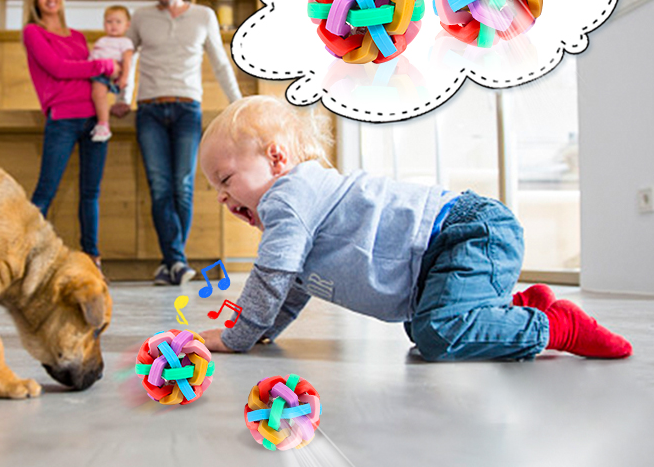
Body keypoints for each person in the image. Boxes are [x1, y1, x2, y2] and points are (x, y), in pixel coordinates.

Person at [197, 95, 632, 361]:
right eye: (216, 188)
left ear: (276, 159)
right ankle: (516, 306)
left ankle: (556, 326)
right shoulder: (301, 206)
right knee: (422, 325)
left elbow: (272, 274)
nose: (221, 196)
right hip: (454, 245)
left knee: (438, 333)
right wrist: (264, 331)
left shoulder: (288, 194)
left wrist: (239, 336)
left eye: (226, 179)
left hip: (464, 233)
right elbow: (289, 288)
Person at [112, 0, 243, 286]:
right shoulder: (141, 17)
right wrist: (123, 98)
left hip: (187, 109)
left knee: (182, 186)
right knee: (160, 187)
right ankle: (176, 262)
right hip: (150, 110)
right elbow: (128, 58)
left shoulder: (203, 16)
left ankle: (171, 262)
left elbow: (220, 63)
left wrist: (238, 104)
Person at [22, 0, 118, 269]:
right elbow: (58, 68)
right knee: (45, 191)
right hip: (62, 119)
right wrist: (100, 65)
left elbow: (90, 77)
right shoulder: (33, 32)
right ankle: (22, 256)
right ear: (35, 1)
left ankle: (92, 258)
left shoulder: (77, 37)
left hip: (93, 120)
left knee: (91, 193)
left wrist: (110, 78)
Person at [87, 5, 134, 142]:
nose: (113, 25)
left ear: (127, 25)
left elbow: (127, 60)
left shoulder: (125, 42)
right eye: (109, 22)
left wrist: (124, 77)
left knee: (100, 92)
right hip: (99, 73)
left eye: (118, 22)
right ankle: (100, 121)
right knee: (96, 94)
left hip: (114, 74)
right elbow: (93, 57)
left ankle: (104, 123)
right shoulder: (101, 41)